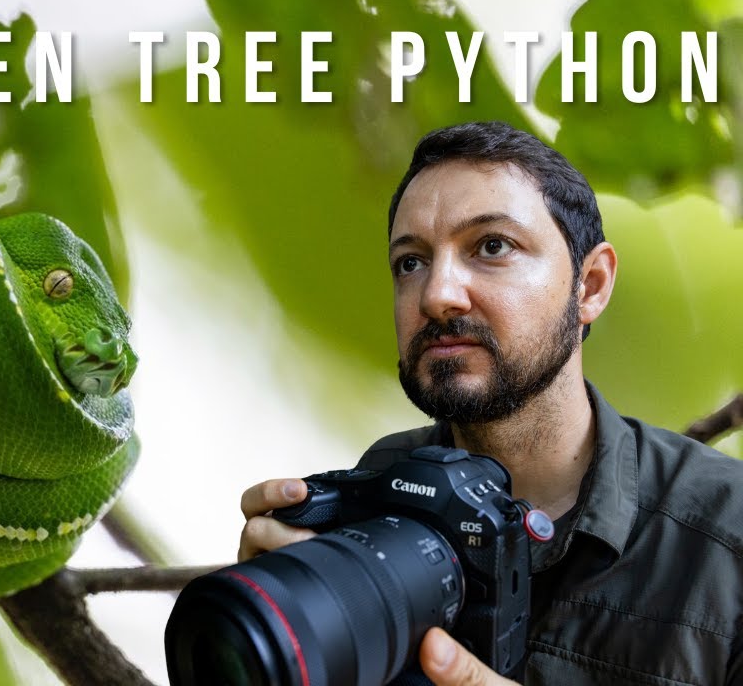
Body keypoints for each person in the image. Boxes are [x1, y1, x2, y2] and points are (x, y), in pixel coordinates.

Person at [237, 121, 743, 685]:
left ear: (591, 285)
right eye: (411, 261)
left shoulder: (726, 534)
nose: (437, 295)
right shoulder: (380, 490)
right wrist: (282, 627)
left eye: (492, 246)